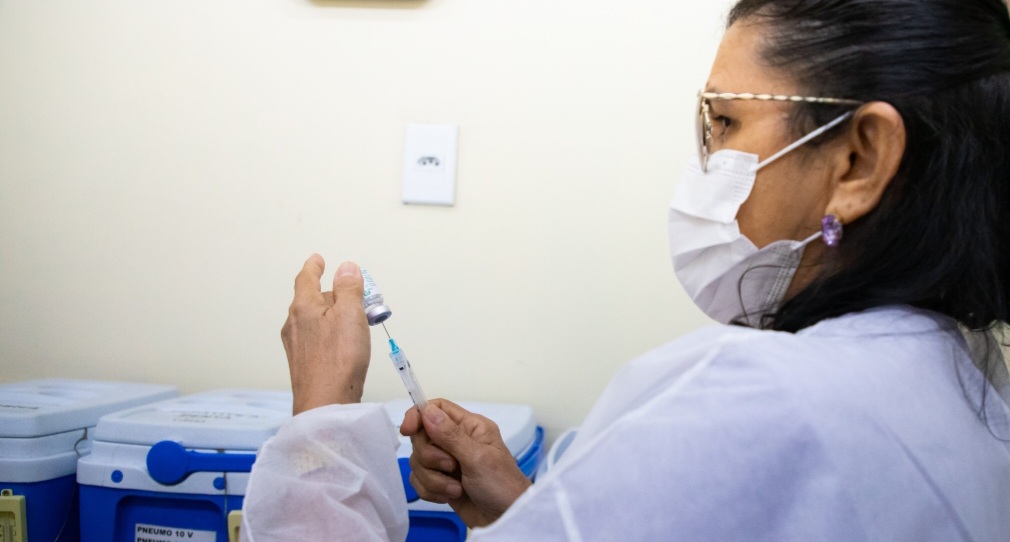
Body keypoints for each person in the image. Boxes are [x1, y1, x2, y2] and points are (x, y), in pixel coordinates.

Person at [239, 0, 1010, 540]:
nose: (707, 161)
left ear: (861, 159)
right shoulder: (970, 384)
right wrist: (528, 508)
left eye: (727, 121)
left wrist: (320, 426)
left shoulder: (761, 400)